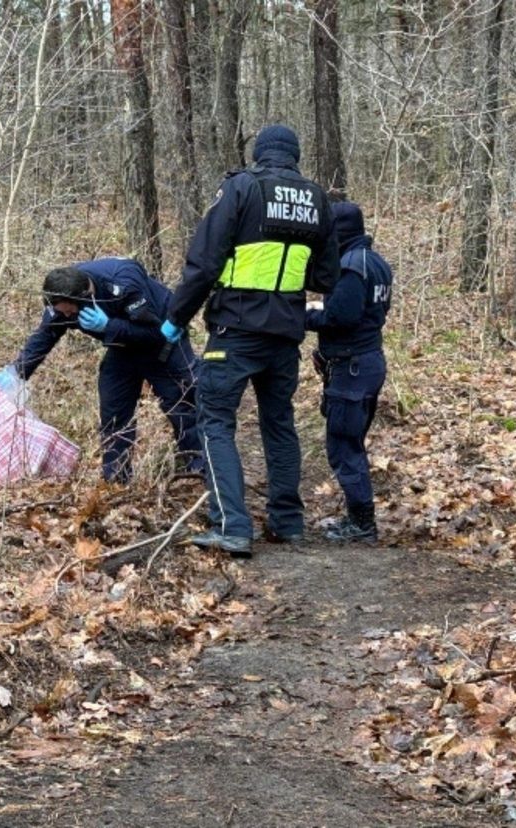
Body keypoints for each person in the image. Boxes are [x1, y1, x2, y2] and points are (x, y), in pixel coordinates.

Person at [160, 124, 340, 558]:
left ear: (260, 154)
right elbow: (327, 275)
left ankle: (232, 526)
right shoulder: (317, 199)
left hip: (235, 330)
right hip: (285, 332)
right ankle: (288, 521)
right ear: (295, 156)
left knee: (215, 422)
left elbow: (204, 262)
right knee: (279, 424)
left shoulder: (242, 188)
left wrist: (175, 317)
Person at [0, 257, 203, 484]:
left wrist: (109, 326)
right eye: (62, 313)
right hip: (121, 345)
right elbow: (46, 335)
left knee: (179, 402)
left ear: (86, 298)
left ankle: (200, 467)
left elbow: (155, 333)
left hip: (163, 339)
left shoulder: (124, 285)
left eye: (70, 312)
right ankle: (116, 478)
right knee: (114, 407)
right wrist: (17, 372)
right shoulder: (62, 294)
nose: (67, 317)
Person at [306, 201, 393, 544]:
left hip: (352, 368)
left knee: (343, 446)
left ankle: (362, 524)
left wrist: (301, 316)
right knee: (351, 442)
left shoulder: (351, 267)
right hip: (366, 362)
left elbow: (339, 317)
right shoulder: (377, 264)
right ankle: (358, 516)